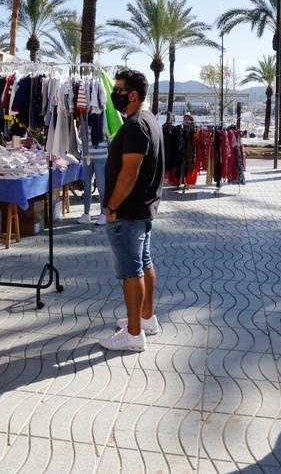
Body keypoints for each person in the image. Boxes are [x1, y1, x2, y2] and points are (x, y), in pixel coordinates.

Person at [99, 69, 165, 352]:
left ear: (133, 94)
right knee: (144, 263)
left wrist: (112, 205)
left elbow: (130, 172)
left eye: (119, 89)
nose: (115, 94)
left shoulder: (137, 124)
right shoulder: (149, 120)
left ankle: (134, 334)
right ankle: (146, 318)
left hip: (129, 211)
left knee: (131, 271)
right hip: (143, 209)